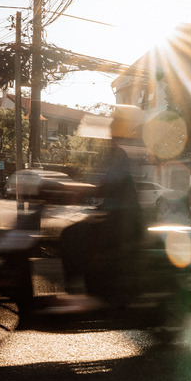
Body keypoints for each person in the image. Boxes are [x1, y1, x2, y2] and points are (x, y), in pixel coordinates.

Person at [59, 105, 145, 301]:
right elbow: (99, 179)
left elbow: (109, 182)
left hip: (124, 220)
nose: (111, 129)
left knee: (71, 235)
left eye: (115, 124)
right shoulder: (112, 153)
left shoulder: (121, 153)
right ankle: (86, 288)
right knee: (77, 233)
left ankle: (77, 289)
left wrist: (82, 192)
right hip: (116, 216)